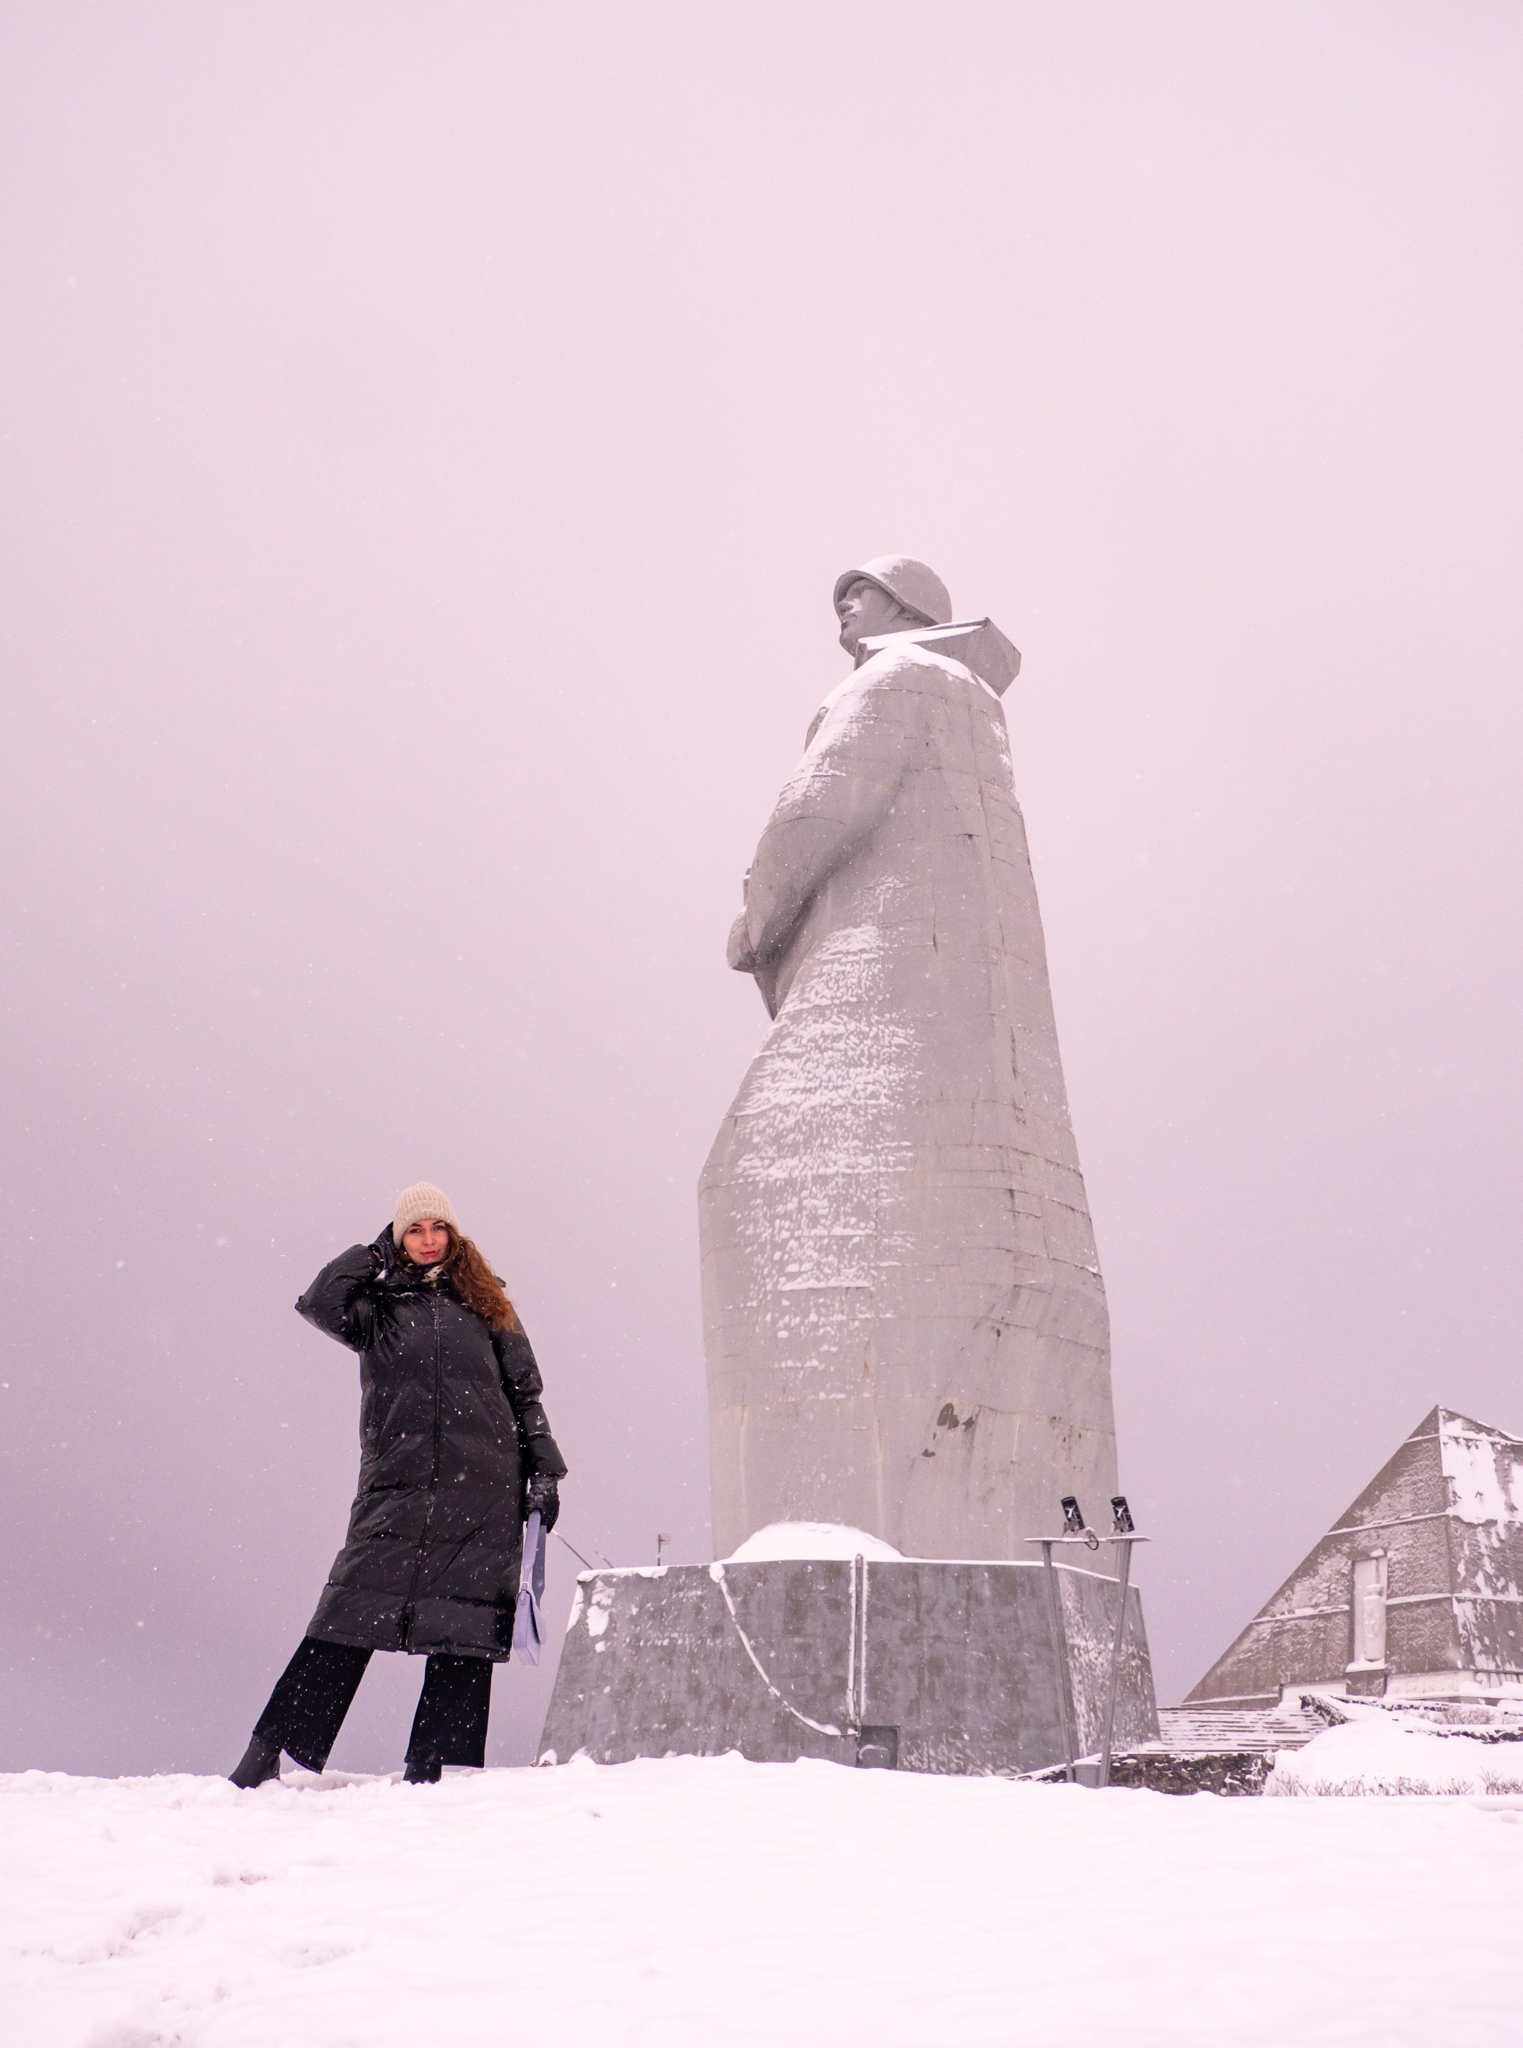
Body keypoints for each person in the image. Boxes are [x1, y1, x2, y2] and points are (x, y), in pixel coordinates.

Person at [228, 1182, 567, 1786]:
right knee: (346, 1614)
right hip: (397, 1485)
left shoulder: (490, 1305)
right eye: (415, 1230)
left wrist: (544, 1472)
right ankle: (264, 1757)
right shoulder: (377, 1311)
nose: (429, 1240)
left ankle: (434, 1771)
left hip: (484, 1489)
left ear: (455, 1236)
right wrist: (374, 1256)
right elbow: (318, 1302)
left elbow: (525, 1394)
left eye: (438, 1228)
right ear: (398, 1237)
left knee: (463, 1629)